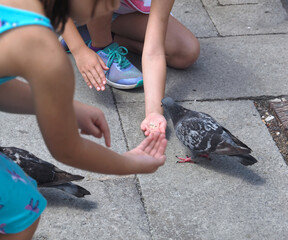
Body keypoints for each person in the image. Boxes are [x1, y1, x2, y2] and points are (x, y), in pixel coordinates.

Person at [0, 0, 167, 239]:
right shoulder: (43, 50)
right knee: (21, 206)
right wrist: (131, 163)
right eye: (110, 1)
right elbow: (67, 150)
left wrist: (63, 107)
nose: (112, 9)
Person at [61, 0, 200, 137]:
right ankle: (100, 44)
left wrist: (154, 112)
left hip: (123, 12)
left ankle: (89, 31)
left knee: (186, 52)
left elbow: (154, 51)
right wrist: (79, 50)